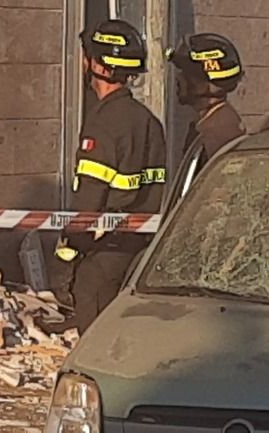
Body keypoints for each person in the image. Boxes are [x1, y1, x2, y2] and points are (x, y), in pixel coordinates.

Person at [55, 19, 167, 332]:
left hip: (105, 252)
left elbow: (91, 198)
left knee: (95, 334)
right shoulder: (148, 121)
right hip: (140, 249)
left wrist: (67, 254)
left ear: (98, 66)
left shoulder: (103, 124)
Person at [169, 32, 245, 175]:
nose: (179, 78)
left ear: (206, 84)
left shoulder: (217, 132)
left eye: (187, 73)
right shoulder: (213, 121)